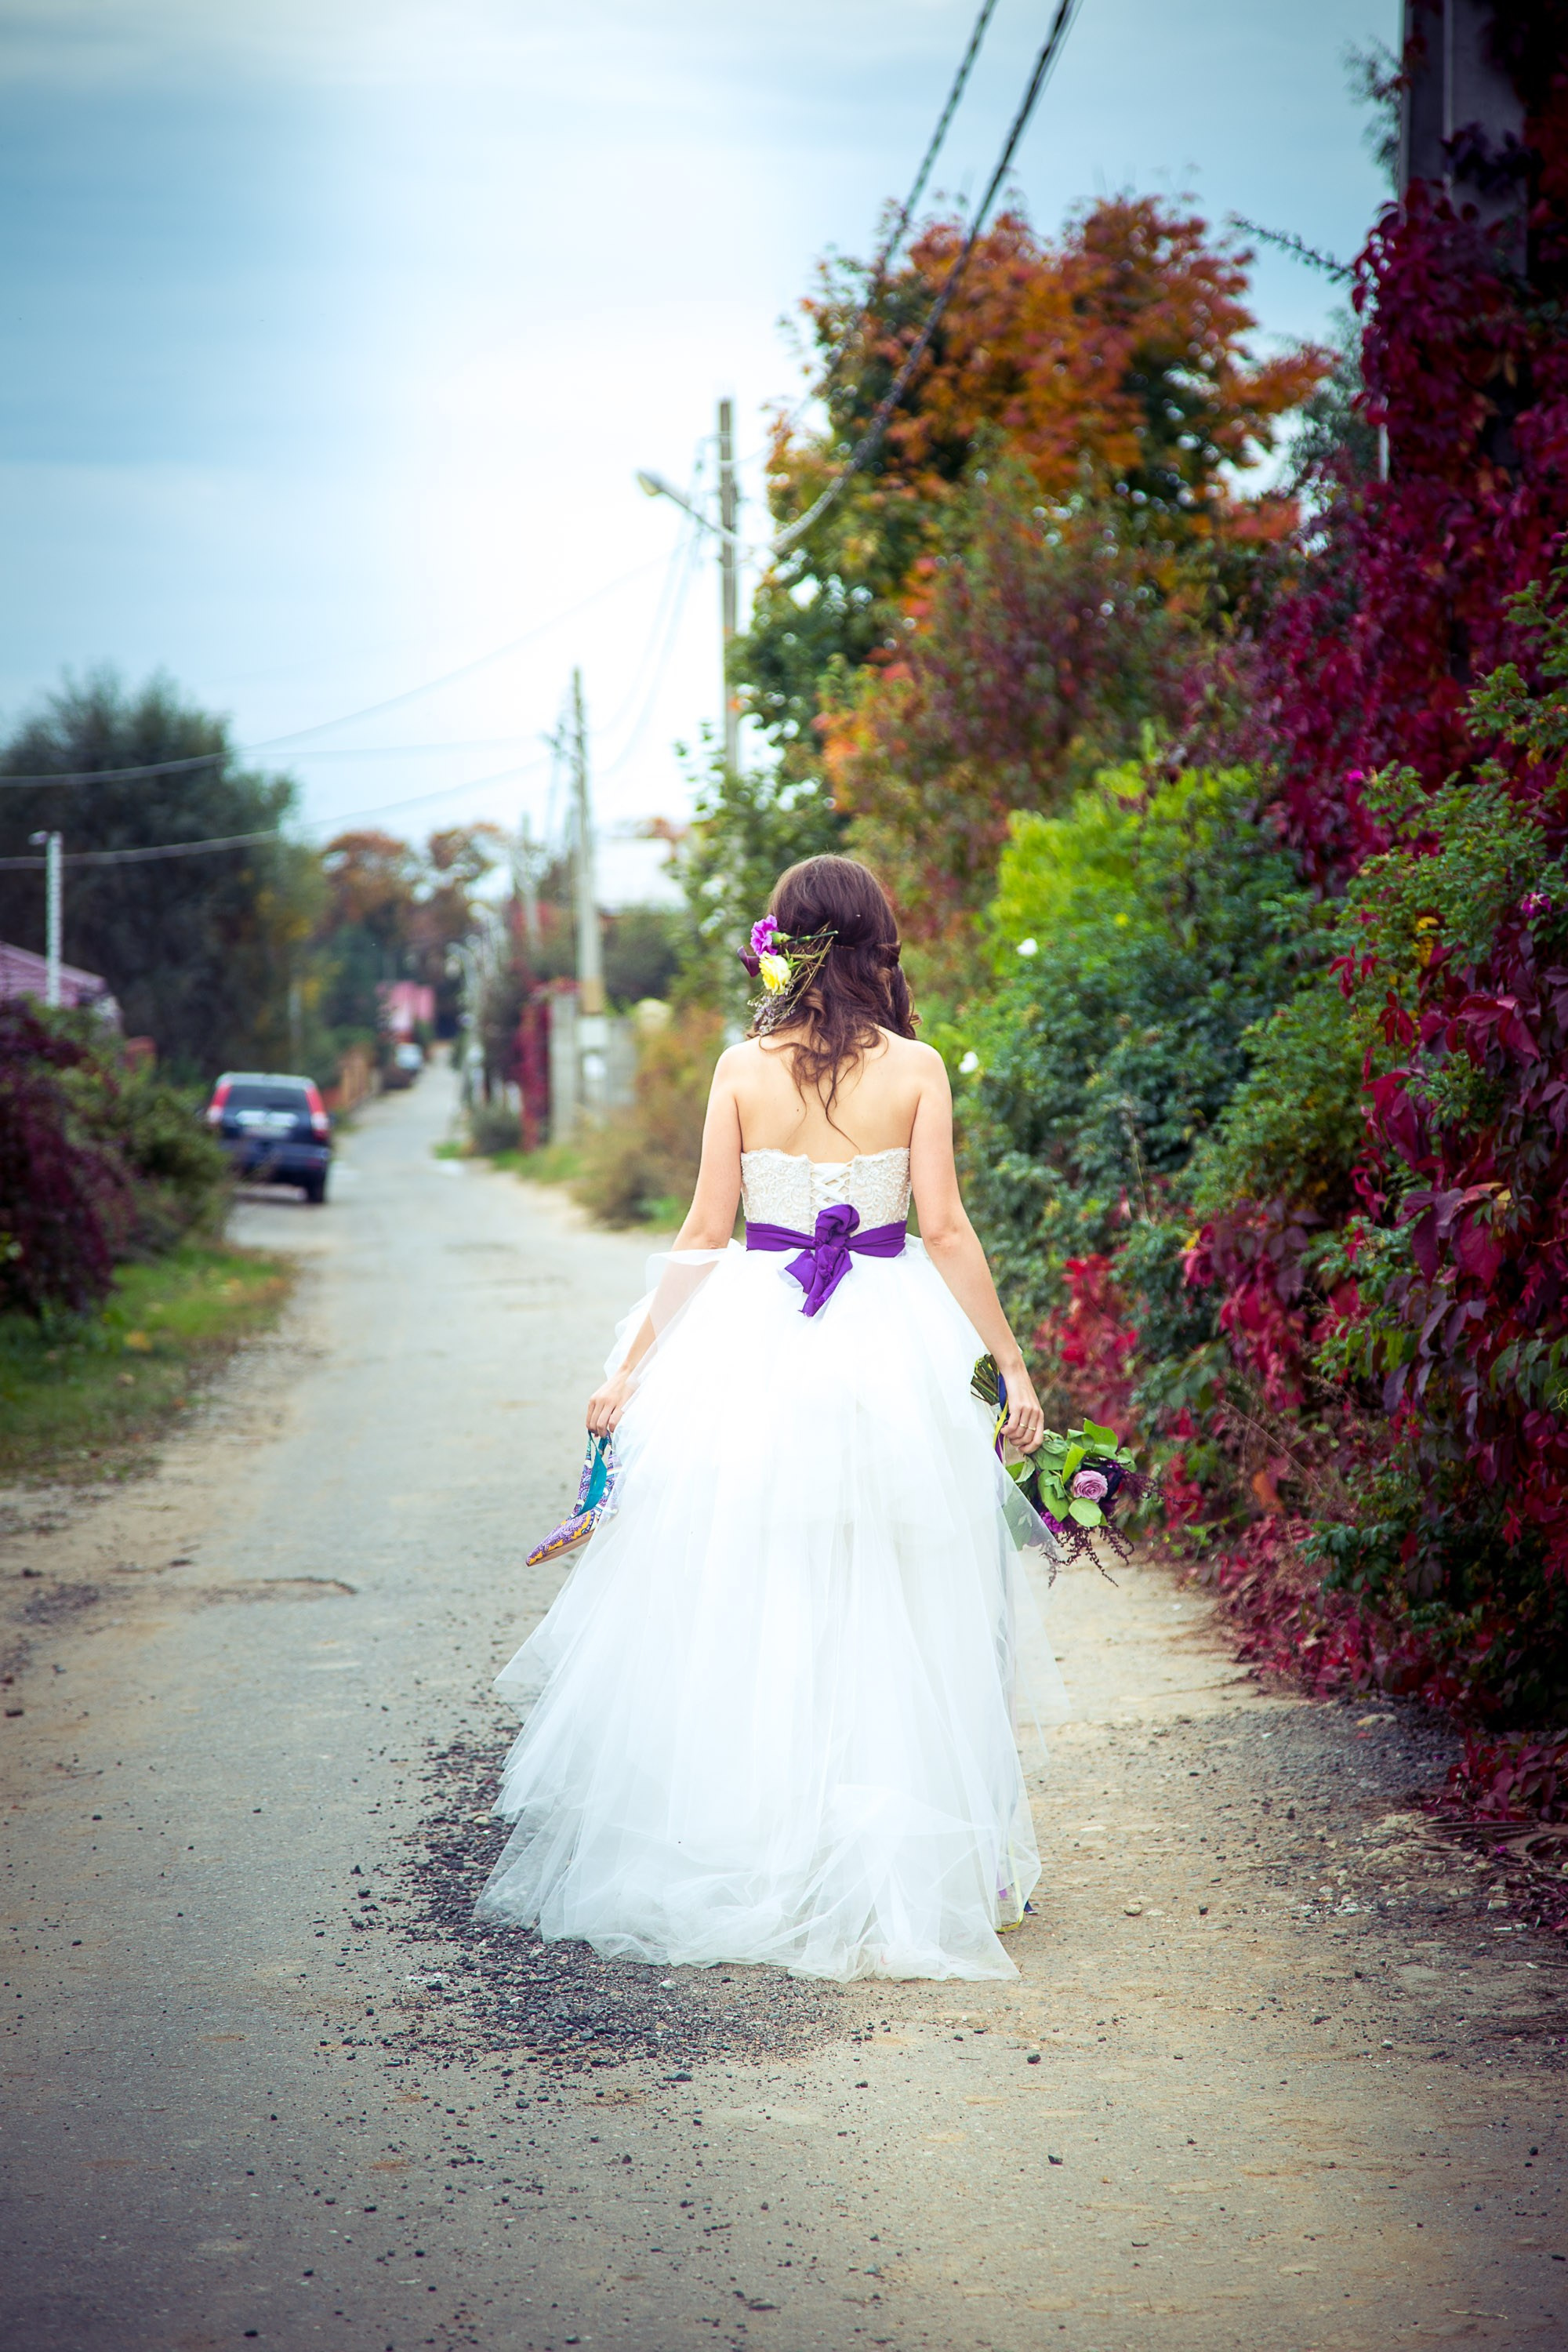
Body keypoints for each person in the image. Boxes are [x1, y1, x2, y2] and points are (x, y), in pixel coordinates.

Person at [477, 854, 1061, 1982]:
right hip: (895, 1346)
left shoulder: (744, 1068)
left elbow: (705, 1232)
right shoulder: (919, 1067)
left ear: (783, 946)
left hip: (756, 1340)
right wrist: (1012, 1368)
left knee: (761, 1591)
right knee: (899, 1595)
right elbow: (943, 1230)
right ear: (876, 941)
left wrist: (639, 1365)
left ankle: (766, 1846)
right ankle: (896, 1859)